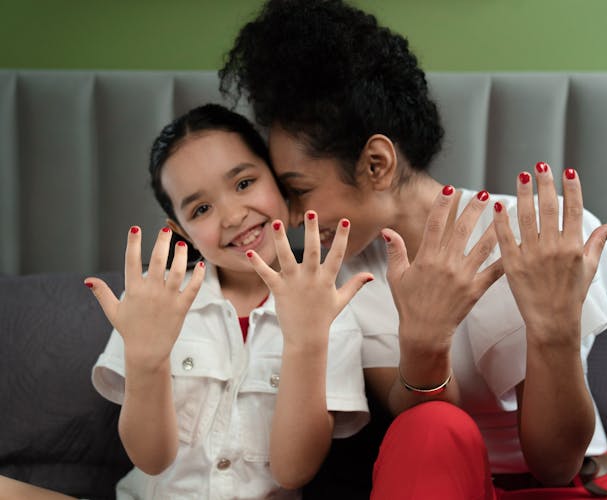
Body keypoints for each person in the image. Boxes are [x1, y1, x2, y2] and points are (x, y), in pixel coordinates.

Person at [219, 1, 607, 499]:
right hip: (463, 487)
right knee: (428, 428)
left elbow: (555, 463)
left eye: (299, 189)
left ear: (376, 164)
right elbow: (431, 441)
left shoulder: (533, 234)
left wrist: (554, 333)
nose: (287, 216)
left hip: (584, 486)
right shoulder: (344, 280)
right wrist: (425, 341)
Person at [0, 103, 372, 500]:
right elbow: (151, 459)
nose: (232, 216)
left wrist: (305, 343)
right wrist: (148, 362)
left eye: (244, 183)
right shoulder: (152, 300)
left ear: (278, 182)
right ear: (183, 231)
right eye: (202, 209)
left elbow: (293, 470)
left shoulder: (329, 308)